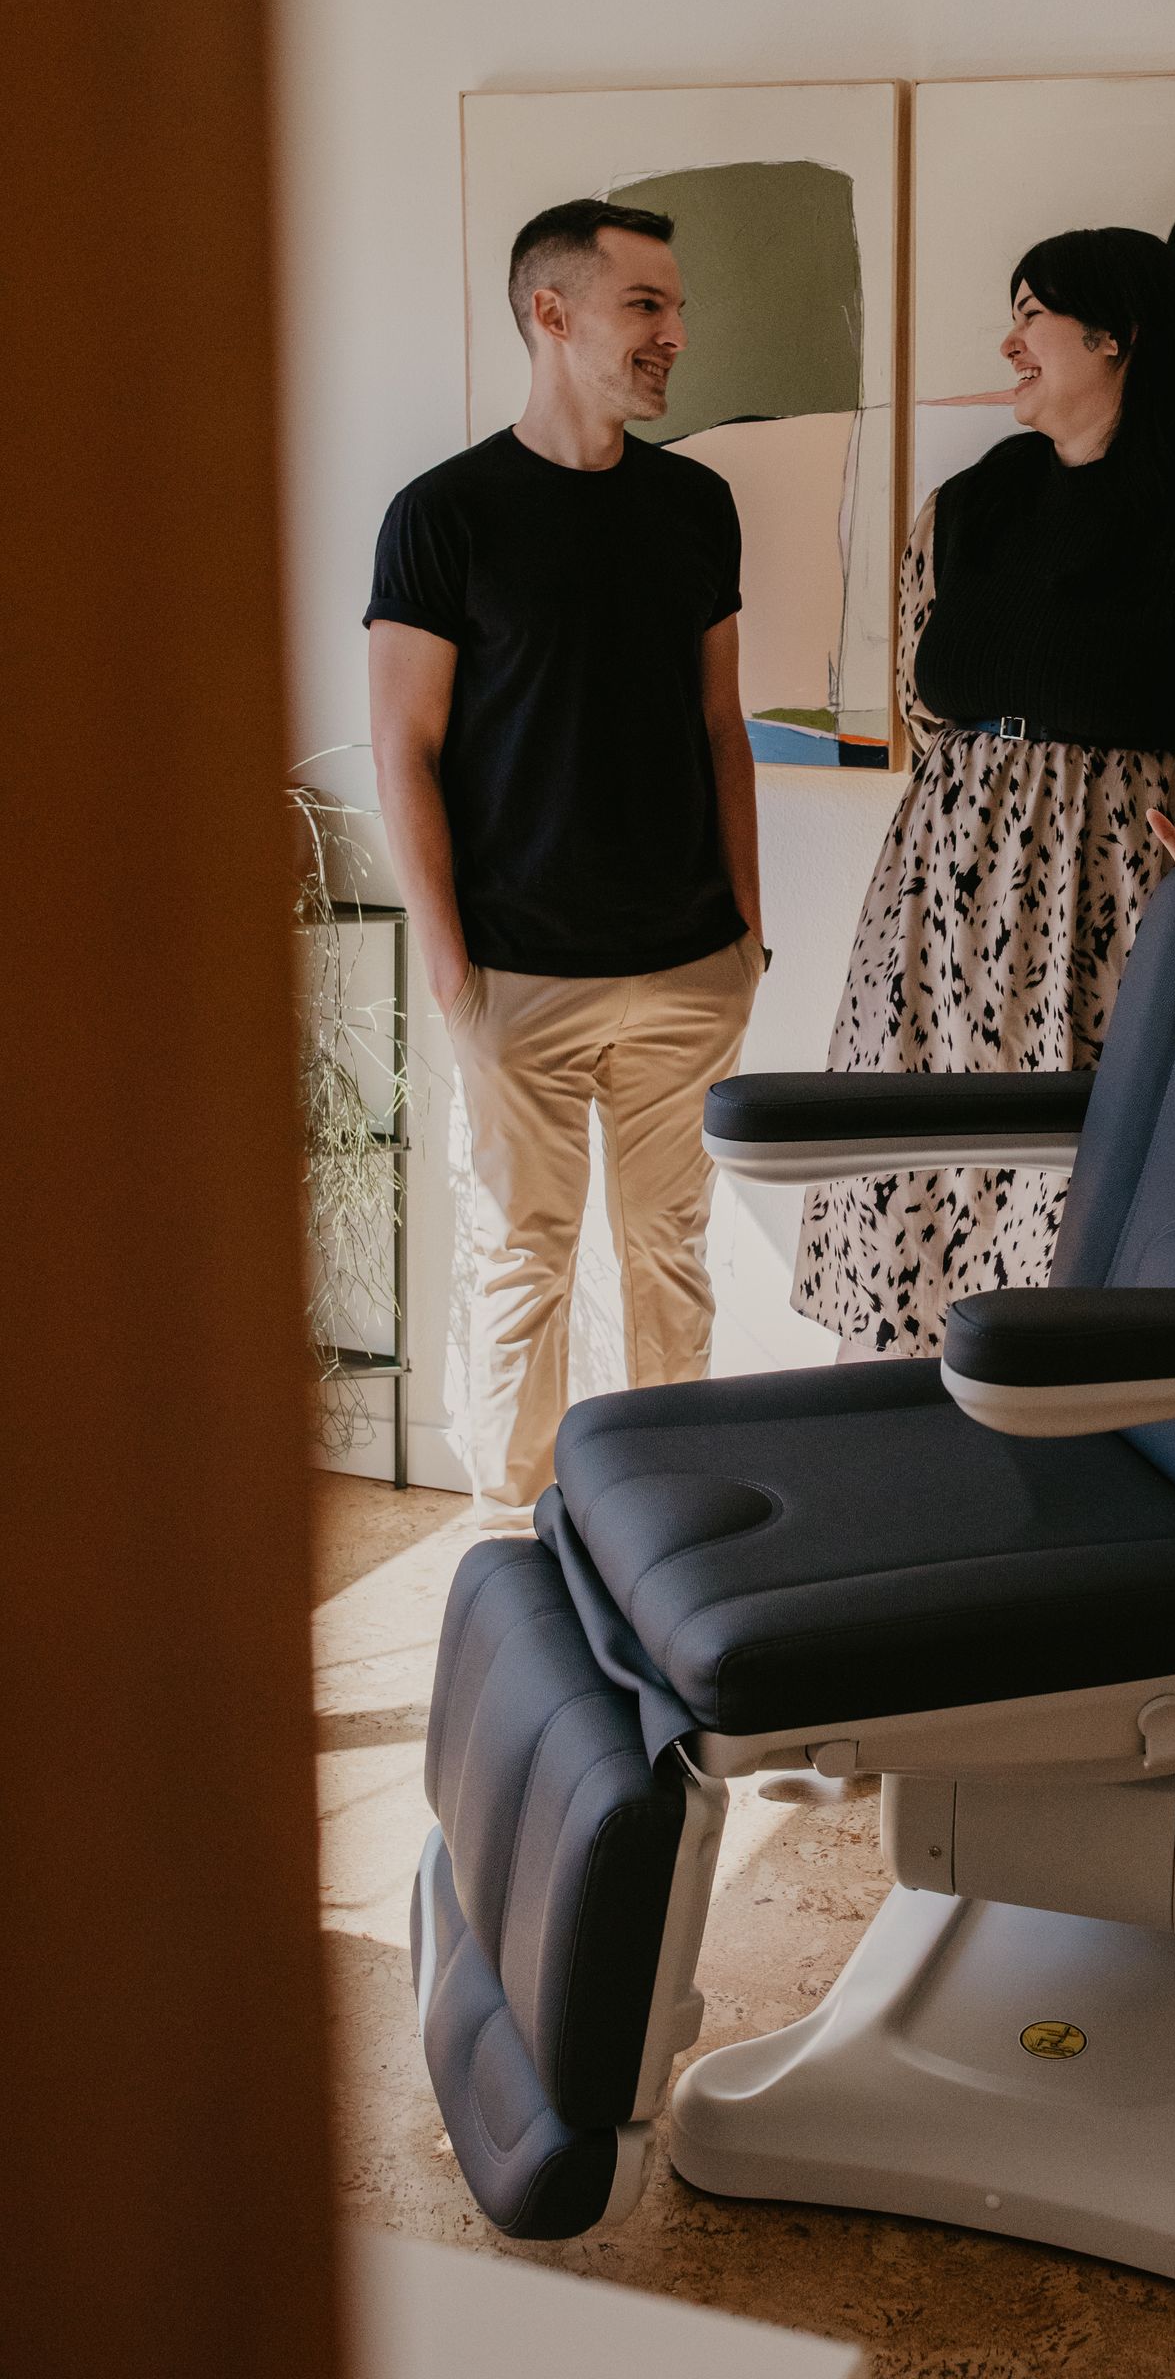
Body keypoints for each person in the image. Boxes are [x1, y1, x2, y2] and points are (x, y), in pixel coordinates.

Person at [795, 225, 1175, 1357]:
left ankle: (1050, 1427)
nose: (1010, 342)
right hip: (937, 906)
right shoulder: (966, 507)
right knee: (920, 1181)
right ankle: (896, 1424)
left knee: (1069, 1192)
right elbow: (926, 703)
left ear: (1116, 336)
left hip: (1111, 903)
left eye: (1032, 313)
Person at [367, 199, 764, 1525]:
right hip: (516, 973)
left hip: (690, 967)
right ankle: (512, 1543)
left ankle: (670, 1529)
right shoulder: (444, 515)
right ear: (553, 313)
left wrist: (746, 935)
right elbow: (405, 750)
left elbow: (721, 726)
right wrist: (452, 974)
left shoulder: (697, 506)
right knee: (519, 1268)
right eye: (646, 304)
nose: (675, 333)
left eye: (675, 307)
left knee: (673, 1262)